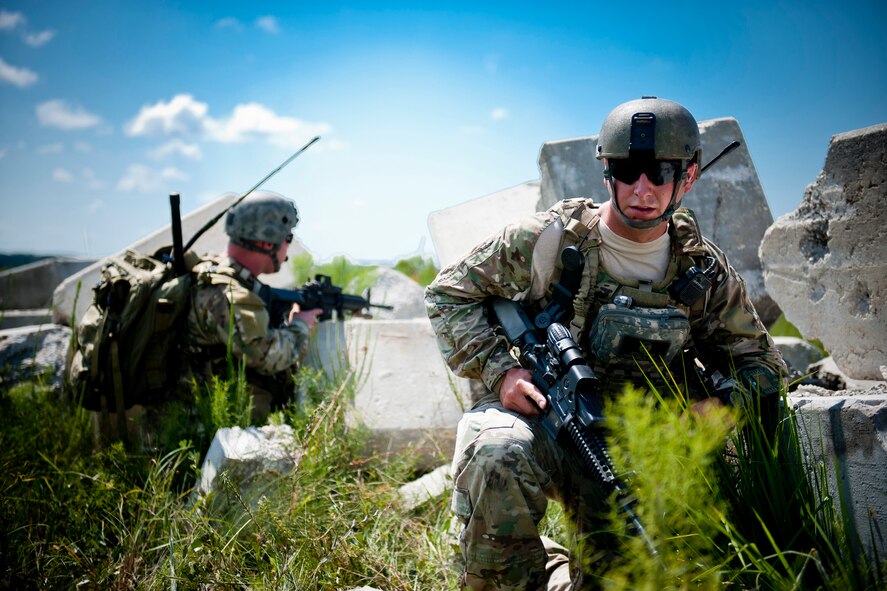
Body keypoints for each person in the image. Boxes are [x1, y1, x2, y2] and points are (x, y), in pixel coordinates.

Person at [425, 97, 788, 589]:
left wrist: (721, 407)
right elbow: (449, 294)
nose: (642, 188)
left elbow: (761, 365)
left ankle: (552, 569)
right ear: (606, 172)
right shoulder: (550, 240)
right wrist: (501, 372)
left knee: (621, 575)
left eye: (660, 172)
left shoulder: (702, 271)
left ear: (689, 177)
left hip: (640, 452)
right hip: (547, 426)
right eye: (627, 170)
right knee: (496, 450)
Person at [185, 190, 323, 421]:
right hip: (201, 423)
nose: (286, 250)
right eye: (286, 239)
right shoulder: (229, 294)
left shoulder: (215, 269)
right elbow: (267, 355)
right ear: (265, 242)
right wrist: (300, 325)